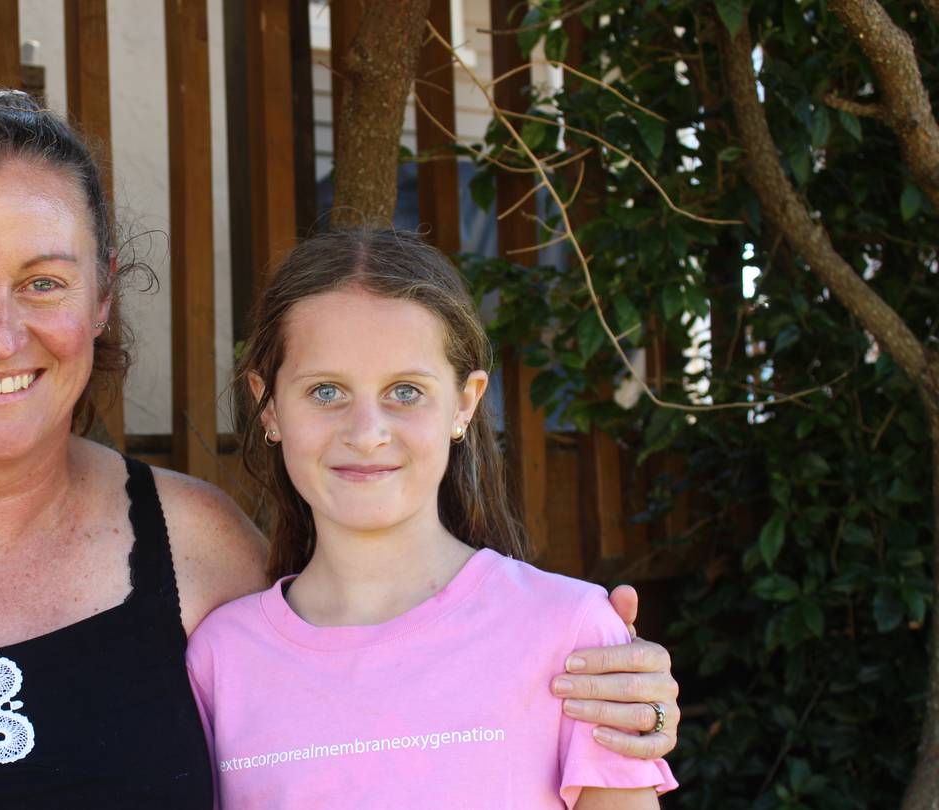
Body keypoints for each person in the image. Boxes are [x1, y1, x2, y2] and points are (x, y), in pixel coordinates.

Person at [0, 91, 678, 808]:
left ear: (104, 295)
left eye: (43, 281)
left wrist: (585, 680)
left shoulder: (198, 546)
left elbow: (370, 701)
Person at [187, 229, 679, 809]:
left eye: (405, 391)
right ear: (268, 406)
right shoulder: (222, 658)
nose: (366, 433)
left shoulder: (570, 635)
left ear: (465, 403)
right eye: (325, 392)